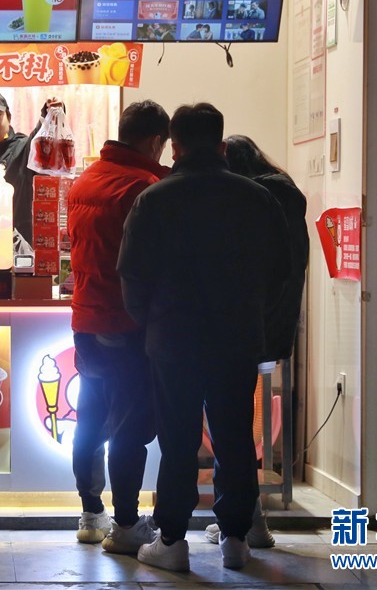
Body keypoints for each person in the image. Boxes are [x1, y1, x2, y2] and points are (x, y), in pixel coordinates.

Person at [119, 103, 290, 572]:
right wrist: (254, 316)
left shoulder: (154, 199)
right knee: (234, 436)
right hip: (236, 336)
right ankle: (235, 538)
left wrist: (150, 322)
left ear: (174, 147)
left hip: (173, 339)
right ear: (222, 145)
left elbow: (132, 275)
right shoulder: (257, 198)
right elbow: (280, 271)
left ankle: (173, 540)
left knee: (177, 438)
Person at [68, 101, 172, 553]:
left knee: (90, 419)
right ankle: (127, 525)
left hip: (86, 319)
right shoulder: (144, 188)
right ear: (155, 141)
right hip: (128, 324)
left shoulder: (84, 180)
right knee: (130, 426)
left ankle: (92, 513)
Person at [200, 134, 310, 550]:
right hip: (272, 330)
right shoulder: (286, 196)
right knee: (240, 429)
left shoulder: (252, 202)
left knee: (232, 431)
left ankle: (248, 522)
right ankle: (249, 519)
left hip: (242, 330)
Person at [0, 87, 62, 245]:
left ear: (9, 117)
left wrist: (49, 114)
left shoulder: (24, 149)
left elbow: (39, 139)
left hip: (25, 252)